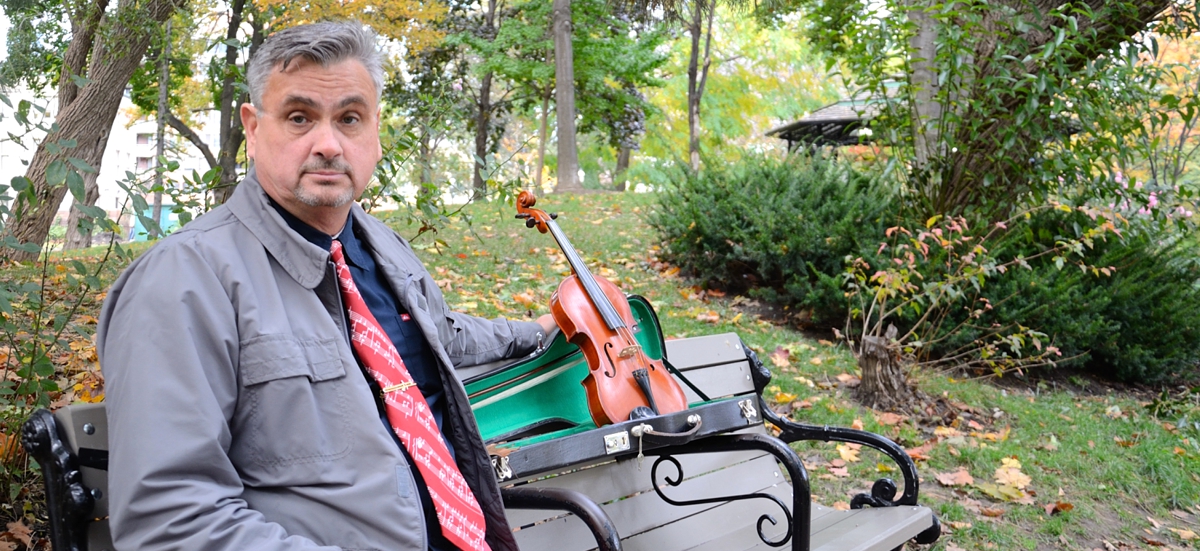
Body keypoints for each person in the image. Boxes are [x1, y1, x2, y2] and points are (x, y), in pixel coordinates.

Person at [97, 20, 556, 551]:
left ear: (376, 131)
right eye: (299, 118)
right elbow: (170, 517)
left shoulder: (380, 247)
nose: (329, 144)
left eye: (350, 119)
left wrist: (539, 328)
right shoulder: (183, 283)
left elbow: (442, 334)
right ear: (252, 126)